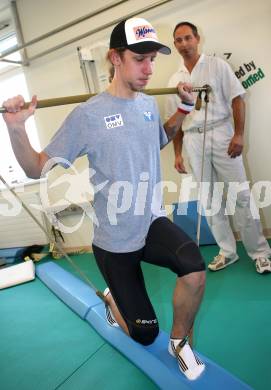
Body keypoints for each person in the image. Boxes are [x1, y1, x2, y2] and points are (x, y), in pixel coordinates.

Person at [2, 18, 206, 380]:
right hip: (114, 243)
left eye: (153, 59)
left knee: (194, 269)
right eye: (139, 58)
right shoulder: (88, 115)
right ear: (115, 57)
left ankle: (179, 343)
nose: (149, 68)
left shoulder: (146, 106)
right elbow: (36, 168)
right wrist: (16, 128)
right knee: (144, 335)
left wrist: (186, 108)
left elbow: (159, 137)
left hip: (152, 222)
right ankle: (114, 300)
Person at [165, 21, 271, 274]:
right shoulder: (175, 80)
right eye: (178, 40)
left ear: (197, 38)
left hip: (222, 133)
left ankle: (260, 252)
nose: (183, 44)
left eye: (187, 38)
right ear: (175, 45)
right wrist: (177, 153)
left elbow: (238, 99)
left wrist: (239, 134)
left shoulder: (217, 66)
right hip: (192, 139)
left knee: (241, 195)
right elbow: (176, 122)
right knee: (209, 200)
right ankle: (227, 251)